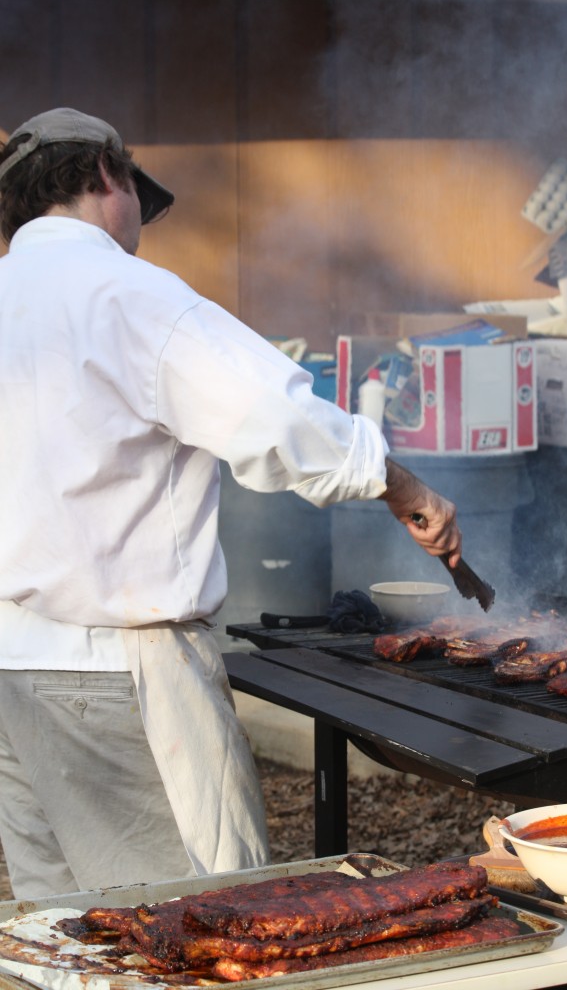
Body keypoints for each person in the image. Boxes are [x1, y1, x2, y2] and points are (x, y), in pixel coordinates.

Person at [0, 107, 462, 900]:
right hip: (120, 673)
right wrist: (402, 485)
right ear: (104, 176)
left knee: (62, 933)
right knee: (204, 924)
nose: (139, 222)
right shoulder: (128, 294)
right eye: (137, 197)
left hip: (11, 671)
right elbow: (277, 418)